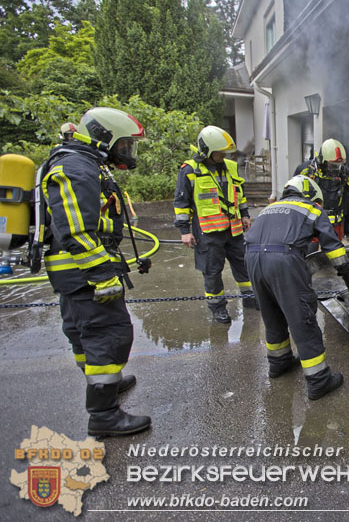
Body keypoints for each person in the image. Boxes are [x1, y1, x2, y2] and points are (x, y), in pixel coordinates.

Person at [41, 107, 150, 436]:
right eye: (124, 144)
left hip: (75, 272)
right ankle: (104, 414)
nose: (127, 151)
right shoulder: (77, 168)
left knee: (84, 333)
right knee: (108, 334)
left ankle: (105, 384)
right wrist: (102, 274)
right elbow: (76, 230)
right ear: (105, 138)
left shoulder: (81, 163)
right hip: (86, 272)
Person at [244, 175, 349, 400]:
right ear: (312, 195)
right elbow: (332, 247)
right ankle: (319, 380)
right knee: (302, 318)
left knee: (271, 313)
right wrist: (347, 273)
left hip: (252, 260)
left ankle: (279, 362)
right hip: (283, 262)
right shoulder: (312, 208)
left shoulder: (270, 208)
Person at [173, 126, 255, 323]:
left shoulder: (230, 167)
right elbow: (181, 202)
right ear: (207, 151)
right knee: (212, 272)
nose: (224, 155)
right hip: (208, 232)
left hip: (234, 230)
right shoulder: (190, 170)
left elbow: (239, 194)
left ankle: (250, 298)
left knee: (244, 265)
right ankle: (218, 307)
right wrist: (184, 231)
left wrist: (244, 214)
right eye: (220, 152)